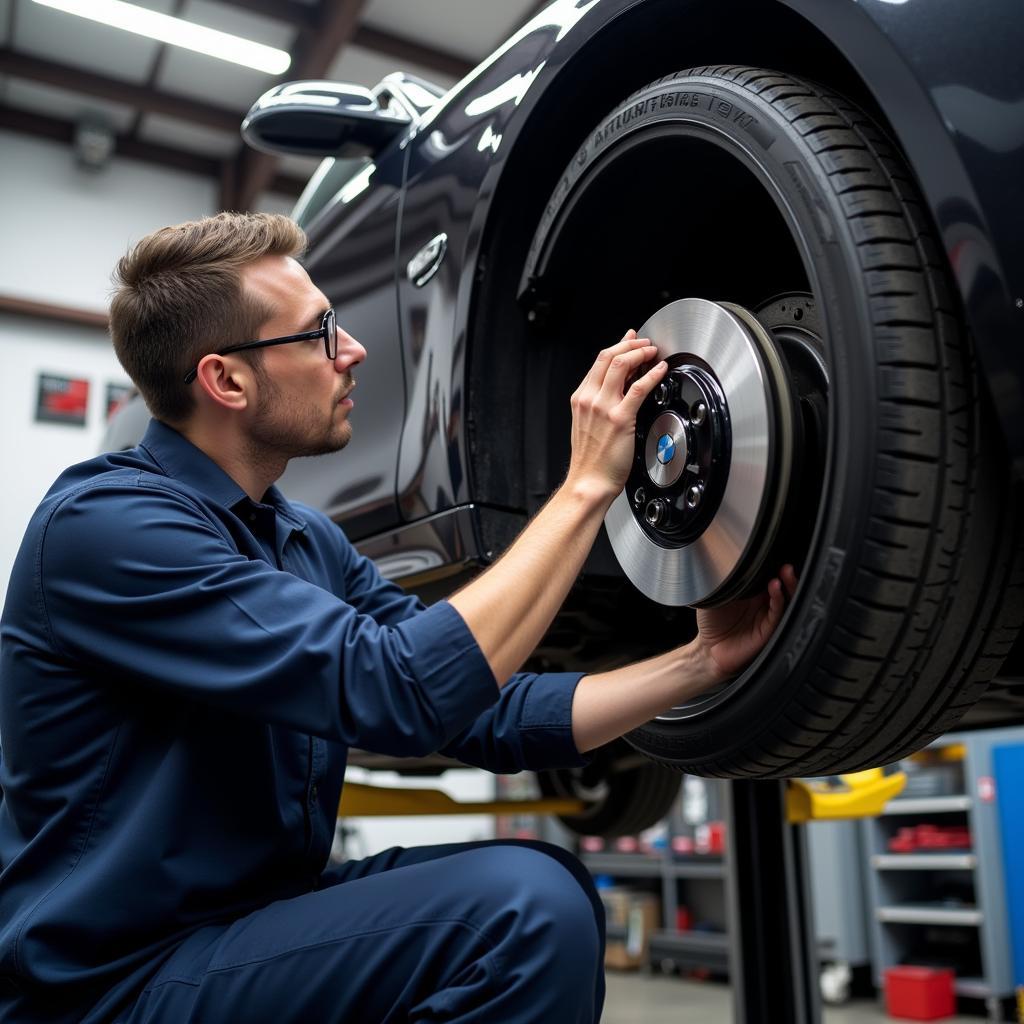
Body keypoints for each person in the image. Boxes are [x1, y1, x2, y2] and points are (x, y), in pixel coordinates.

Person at [0, 212, 796, 1024]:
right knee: (521, 914)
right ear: (227, 382)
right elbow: (399, 690)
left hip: (250, 927)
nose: (353, 351)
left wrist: (696, 664)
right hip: (112, 984)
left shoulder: (302, 539)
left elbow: (490, 712)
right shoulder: (108, 528)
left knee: (551, 893)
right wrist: (586, 484)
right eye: (320, 333)